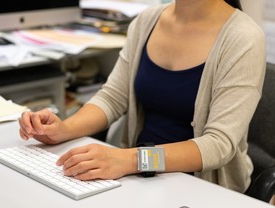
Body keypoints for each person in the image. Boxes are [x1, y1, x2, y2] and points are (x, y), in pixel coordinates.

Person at [19, 0, 266, 193]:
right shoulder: (148, 20)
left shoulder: (243, 38)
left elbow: (218, 145)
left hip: (203, 191)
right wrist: (64, 129)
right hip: (139, 179)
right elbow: (112, 97)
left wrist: (131, 160)